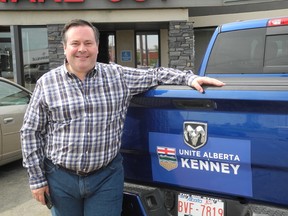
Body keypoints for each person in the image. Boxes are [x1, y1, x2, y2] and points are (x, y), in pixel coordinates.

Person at [20, 19, 225, 216]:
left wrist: (189, 78)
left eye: (88, 43)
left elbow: (155, 75)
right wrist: (37, 179)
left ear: (97, 47)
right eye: (75, 43)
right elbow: (30, 131)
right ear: (65, 47)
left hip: (105, 178)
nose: (82, 48)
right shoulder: (46, 83)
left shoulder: (117, 76)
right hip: (60, 179)